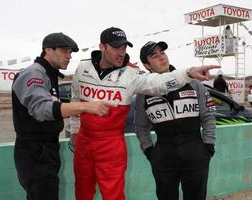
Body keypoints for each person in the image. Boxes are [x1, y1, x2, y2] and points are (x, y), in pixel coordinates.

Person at [69, 27, 220, 200]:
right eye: (116, 47)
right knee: (82, 190)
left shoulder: (133, 75)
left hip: (115, 144)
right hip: (87, 142)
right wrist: (74, 129)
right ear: (102, 47)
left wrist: (187, 73)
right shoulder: (82, 67)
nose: (121, 52)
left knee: (113, 195)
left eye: (124, 48)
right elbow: (76, 97)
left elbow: (159, 82)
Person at [12, 32, 110, 200]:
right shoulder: (34, 74)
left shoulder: (48, 73)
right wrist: (85, 106)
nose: (69, 56)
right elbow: (41, 109)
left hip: (45, 148)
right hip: (34, 150)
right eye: (65, 51)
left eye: (71, 52)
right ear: (49, 50)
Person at [134, 41, 216, 200]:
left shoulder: (191, 82)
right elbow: (141, 127)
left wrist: (208, 146)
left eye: (162, 53)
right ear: (146, 65)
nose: (162, 58)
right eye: (154, 56)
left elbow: (209, 116)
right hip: (164, 153)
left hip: (195, 150)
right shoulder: (143, 93)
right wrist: (150, 152)